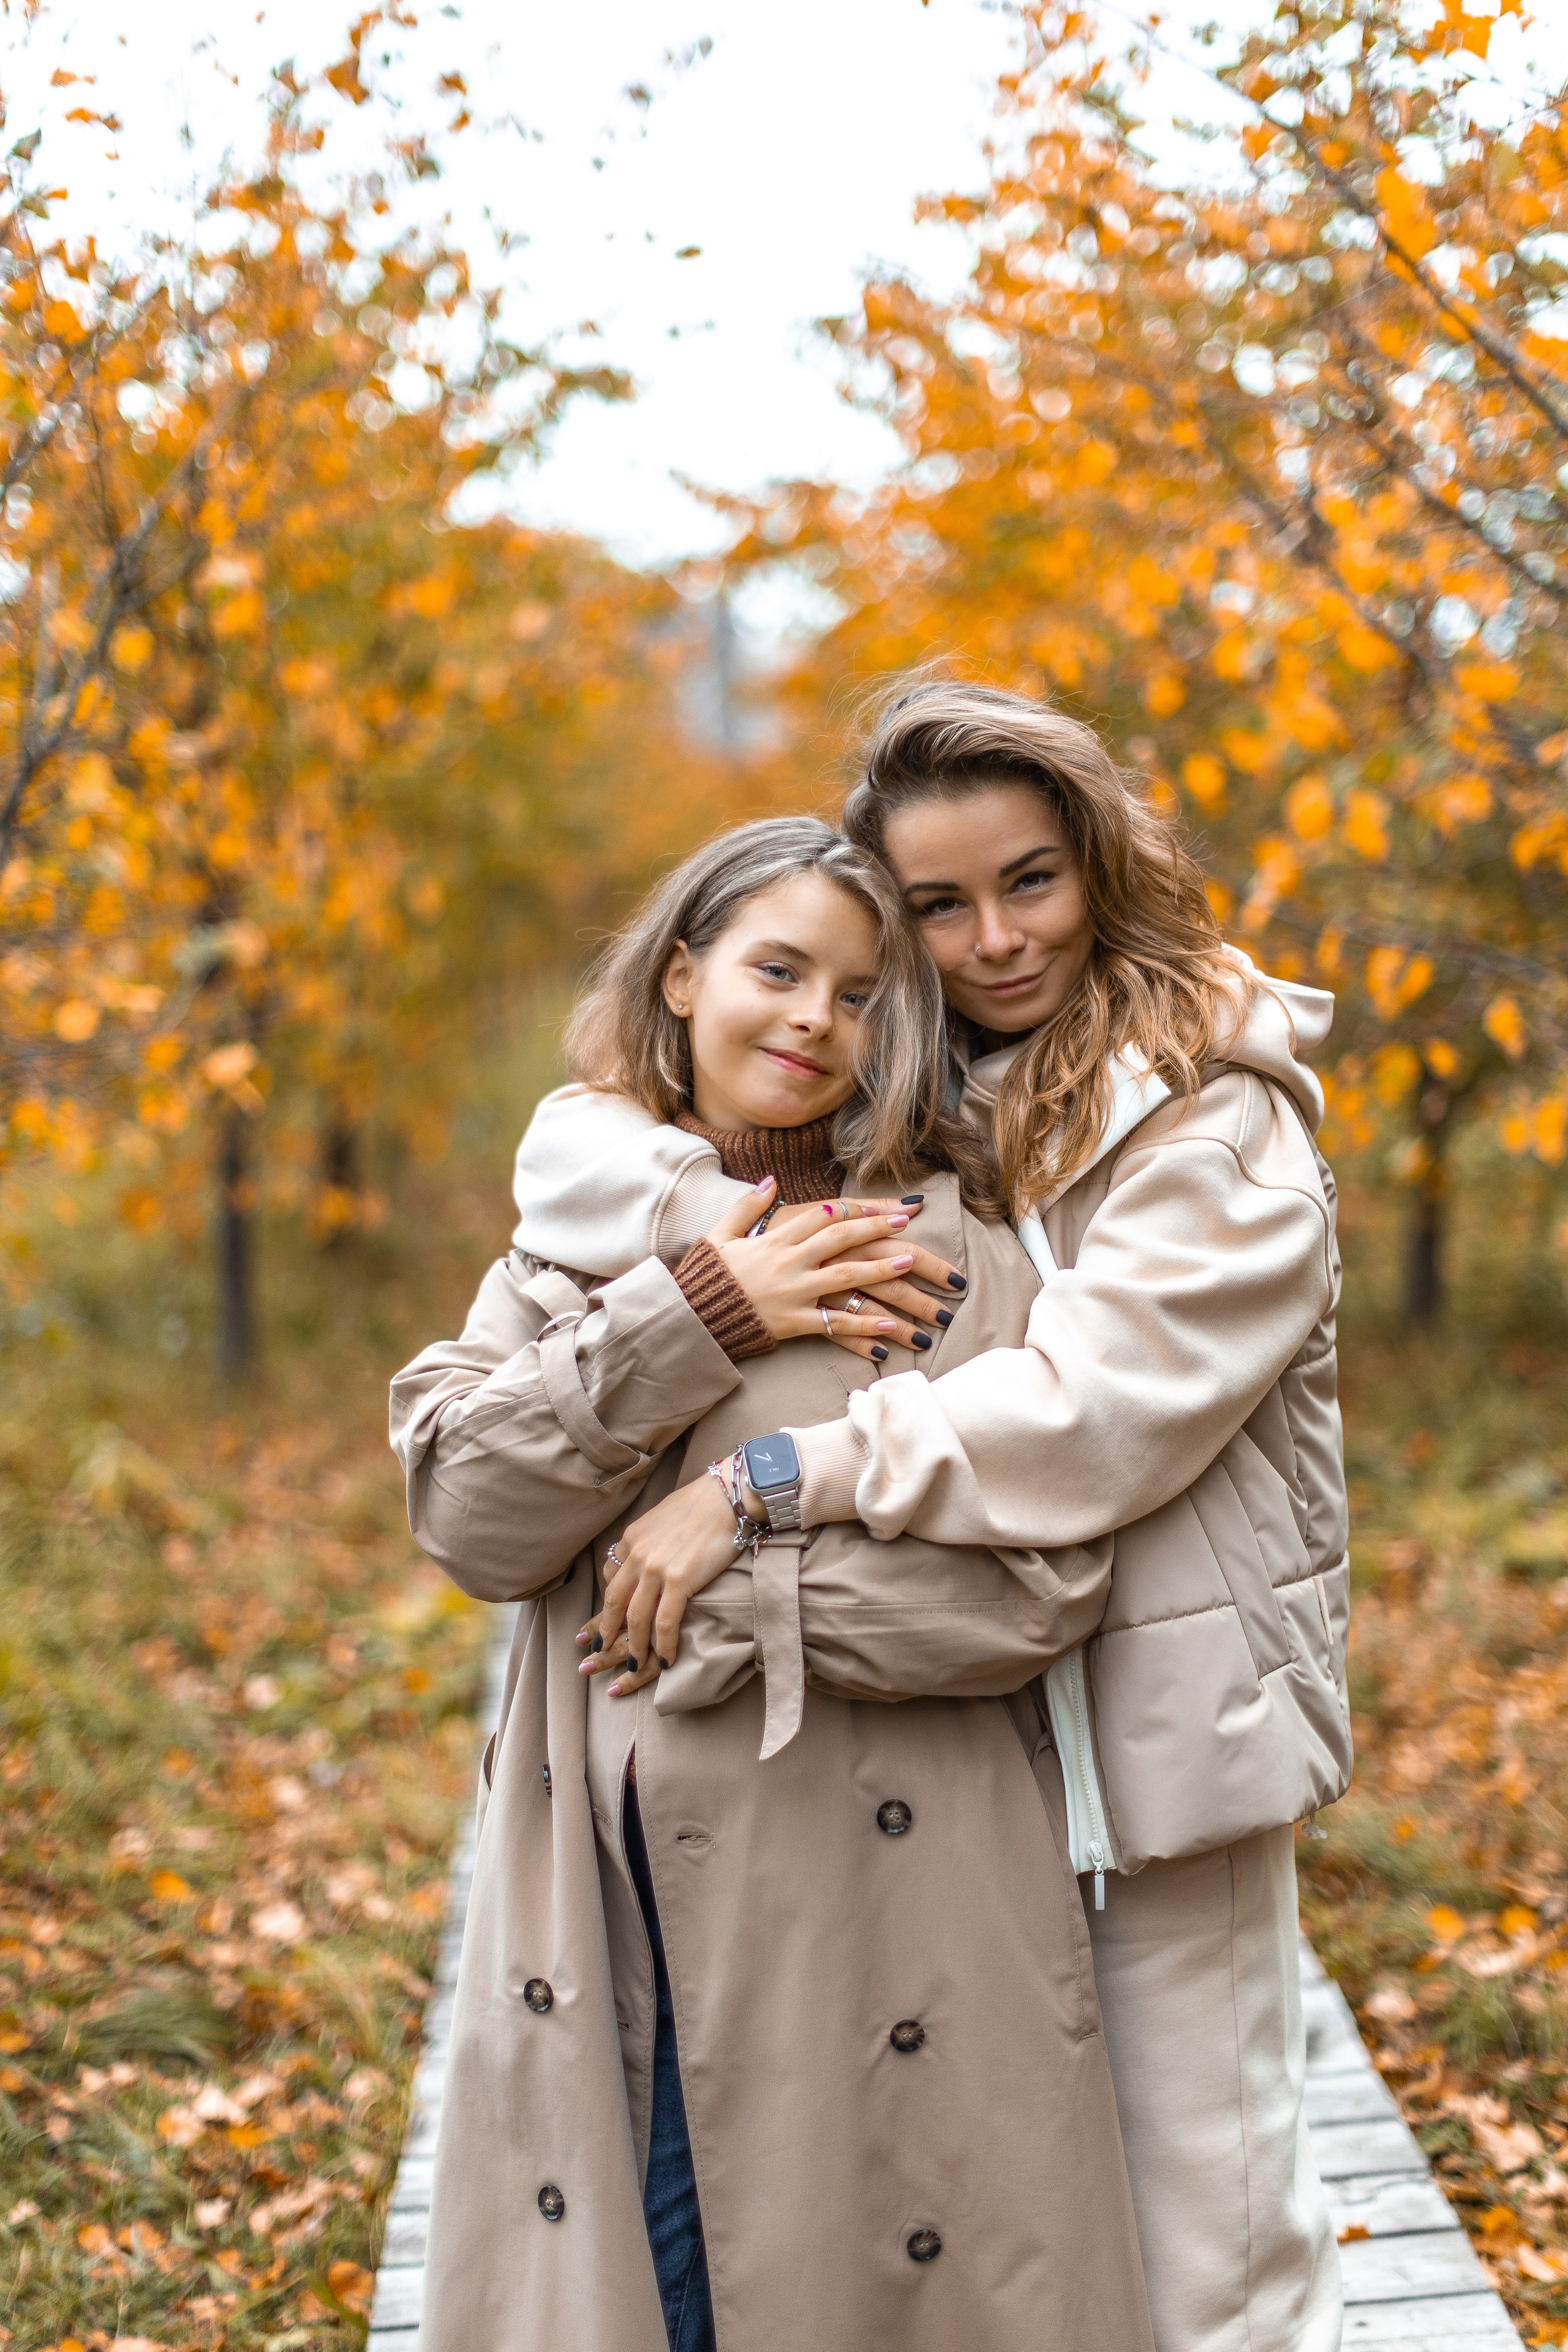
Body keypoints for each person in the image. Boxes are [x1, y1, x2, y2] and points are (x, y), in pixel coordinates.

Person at [590, 686, 1354, 2352]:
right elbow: (647, 1154)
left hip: (1158, 1754)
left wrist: (771, 1486)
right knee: (1020, 2244)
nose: (996, 938)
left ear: (1101, 860)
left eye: (1032, 881)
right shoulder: (944, 1106)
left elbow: (1087, 1420)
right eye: (938, 905)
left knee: (1210, 2250)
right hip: (962, 1752)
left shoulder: (1215, 1120)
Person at [390, 816, 1156, 2352]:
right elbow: (470, 1518)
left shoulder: (942, 1251)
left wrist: (730, 1579)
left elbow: (1038, 1584)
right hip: (633, 1934)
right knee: (669, 2294)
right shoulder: (570, 1257)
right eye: (778, 969)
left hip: (900, 1926)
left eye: (865, 992)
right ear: (683, 977)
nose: (815, 1020)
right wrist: (701, 1310)